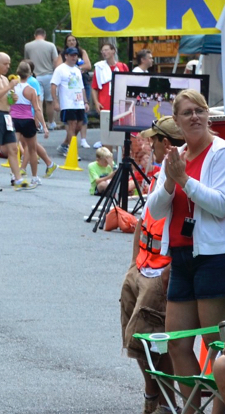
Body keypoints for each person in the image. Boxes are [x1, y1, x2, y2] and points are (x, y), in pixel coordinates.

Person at [144, 90, 225, 412]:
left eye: (199, 111)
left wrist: (184, 181)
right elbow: (156, 210)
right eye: (187, 113)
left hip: (213, 257)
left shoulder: (220, 152)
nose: (194, 117)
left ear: (207, 116)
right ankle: (190, 410)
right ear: (176, 121)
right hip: (179, 255)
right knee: (177, 342)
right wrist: (169, 181)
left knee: (215, 346)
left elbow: (221, 205)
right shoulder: (175, 156)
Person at [121, 116, 182, 414]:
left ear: (165, 143)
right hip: (141, 268)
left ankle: (165, 402)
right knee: (138, 341)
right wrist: (133, 263)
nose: (149, 144)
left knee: (158, 342)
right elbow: (143, 220)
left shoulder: (180, 177)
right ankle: (154, 396)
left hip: (161, 273)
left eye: (154, 140)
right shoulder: (159, 173)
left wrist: (169, 271)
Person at [0, 53, 29, 191]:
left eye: (9, 64)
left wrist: (12, 98)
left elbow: (6, 99)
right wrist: (9, 87)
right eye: (5, 64)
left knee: (13, 148)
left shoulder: (3, 79)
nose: (8, 67)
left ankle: (18, 178)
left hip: (7, 115)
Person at [10, 62, 55, 187]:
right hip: (27, 120)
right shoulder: (31, 90)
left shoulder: (12, 88)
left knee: (14, 149)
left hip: (14, 119)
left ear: (18, 72)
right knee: (32, 149)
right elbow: (37, 109)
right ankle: (34, 177)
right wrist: (44, 126)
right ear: (29, 74)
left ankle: (14, 174)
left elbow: (8, 104)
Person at [52, 47, 88, 158]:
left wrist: (85, 101)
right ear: (66, 56)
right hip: (68, 102)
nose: (74, 57)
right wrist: (56, 101)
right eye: (71, 55)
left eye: (75, 55)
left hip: (78, 102)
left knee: (79, 125)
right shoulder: (60, 69)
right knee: (72, 125)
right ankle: (73, 151)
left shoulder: (77, 70)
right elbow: (53, 85)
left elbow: (81, 87)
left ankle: (65, 144)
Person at [24, 29, 60, 130]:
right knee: (49, 101)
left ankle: (39, 123)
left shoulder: (28, 46)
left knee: (38, 100)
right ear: (44, 35)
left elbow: (26, 61)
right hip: (49, 75)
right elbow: (56, 61)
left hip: (35, 75)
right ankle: (51, 122)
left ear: (35, 35)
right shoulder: (51, 45)